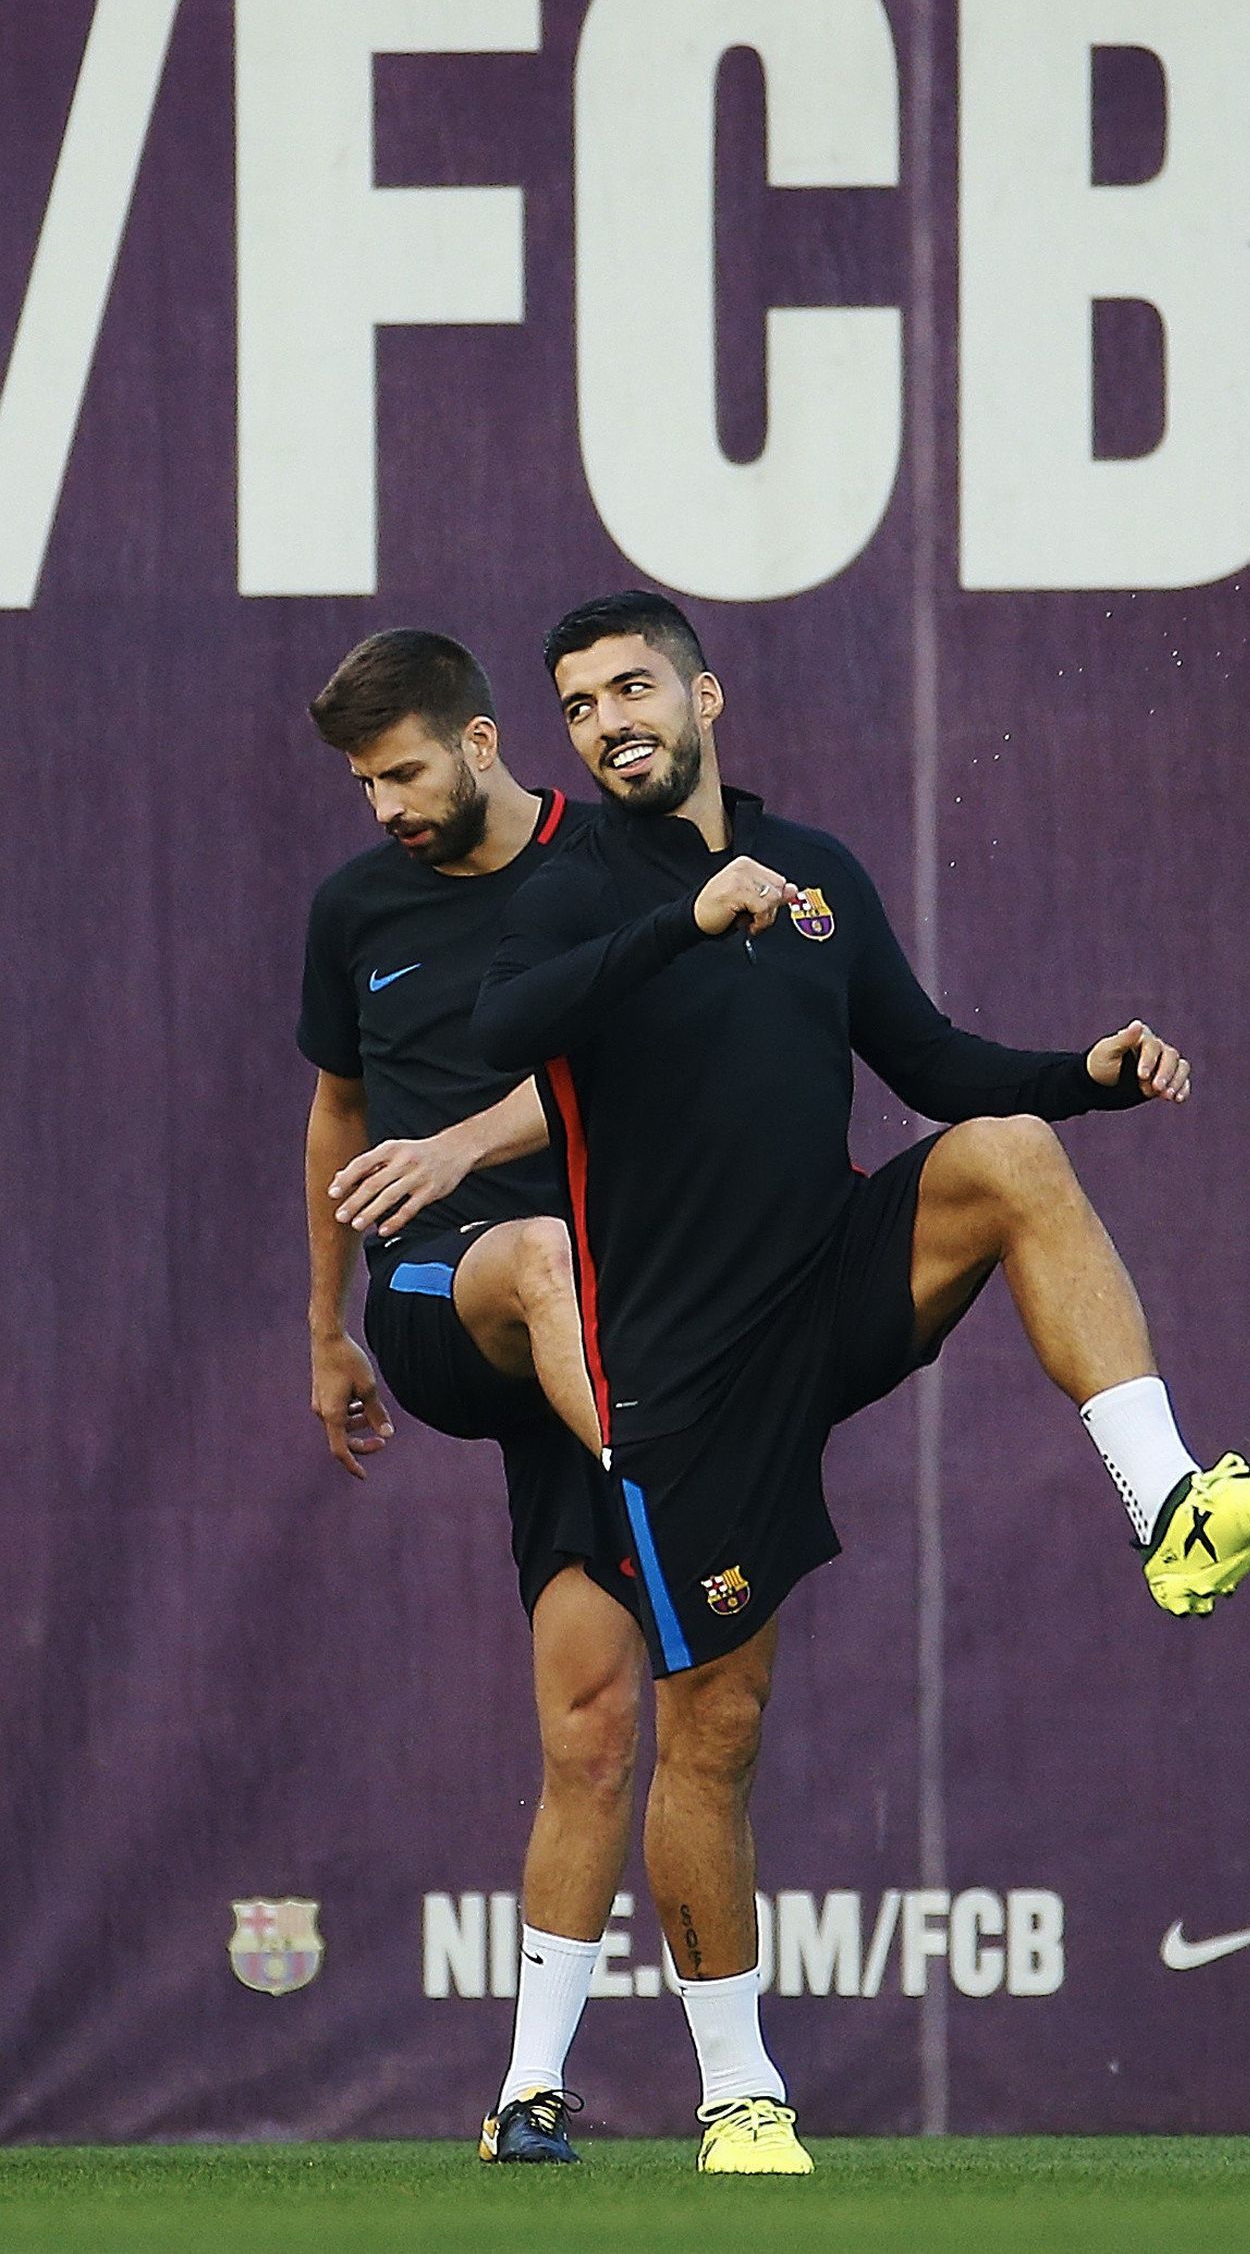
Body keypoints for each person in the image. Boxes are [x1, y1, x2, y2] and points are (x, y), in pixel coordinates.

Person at [472, 589, 1250, 2175]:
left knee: (1007, 1153)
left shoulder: (821, 875)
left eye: (634, 686)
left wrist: (1085, 1076)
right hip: (679, 1365)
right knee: (712, 1730)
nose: (609, 722)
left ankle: (1174, 1510)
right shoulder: (568, 885)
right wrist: (679, 922)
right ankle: (740, 2091)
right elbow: (499, 1025)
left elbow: (928, 1063)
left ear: (705, 694)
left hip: (831, 1276)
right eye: (581, 705)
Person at [298, 628, 643, 2169]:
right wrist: (326, 1332)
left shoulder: (605, 870)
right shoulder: (353, 908)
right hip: (448, 1297)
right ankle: (681, 1477)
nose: (384, 807)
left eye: (405, 771)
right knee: (534, 1249)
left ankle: (525, 2098)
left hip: (602, 1318)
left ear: (487, 741)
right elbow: (338, 1117)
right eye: (366, 784)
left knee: (597, 1726)